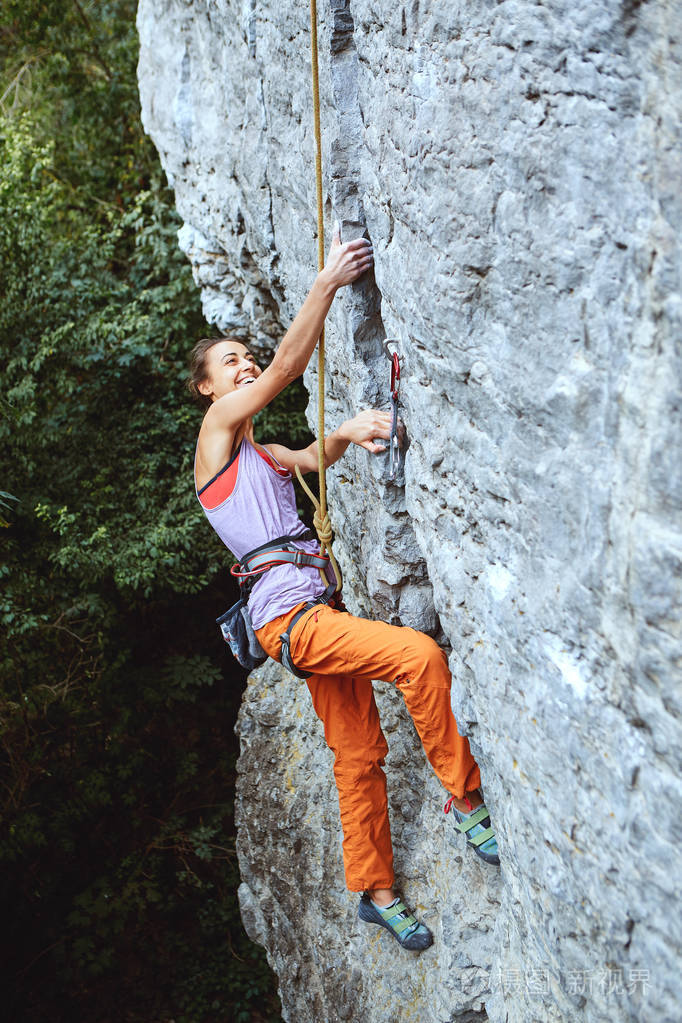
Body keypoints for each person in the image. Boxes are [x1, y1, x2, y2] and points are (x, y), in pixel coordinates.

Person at [189, 225, 499, 952]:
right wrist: (325, 283)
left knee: (357, 751)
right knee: (418, 656)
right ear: (206, 387)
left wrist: (350, 431)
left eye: (246, 356)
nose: (245, 367)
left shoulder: (259, 452)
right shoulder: (215, 433)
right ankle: (465, 795)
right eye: (229, 362)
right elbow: (284, 374)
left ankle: (377, 890)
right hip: (291, 618)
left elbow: (308, 455)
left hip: (307, 616)